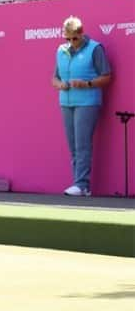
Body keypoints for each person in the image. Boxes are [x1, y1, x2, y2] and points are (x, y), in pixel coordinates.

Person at [52, 16, 111, 196]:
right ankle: (79, 184)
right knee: (73, 146)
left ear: (81, 33)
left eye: (74, 38)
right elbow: (54, 78)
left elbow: (106, 76)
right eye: (67, 38)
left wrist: (87, 84)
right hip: (66, 103)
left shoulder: (95, 48)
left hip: (88, 102)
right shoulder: (61, 51)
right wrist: (59, 85)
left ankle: (82, 184)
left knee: (82, 144)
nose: (71, 42)